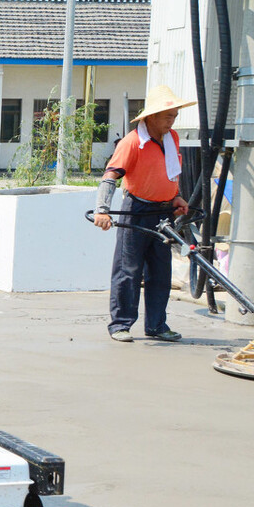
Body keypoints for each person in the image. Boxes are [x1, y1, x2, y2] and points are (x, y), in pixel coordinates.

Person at [93, 85, 196, 343]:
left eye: (174, 116)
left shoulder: (172, 138)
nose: (172, 121)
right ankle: (121, 324)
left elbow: (170, 171)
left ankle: (157, 325)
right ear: (150, 117)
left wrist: (176, 196)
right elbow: (110, 175)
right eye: (167, 116)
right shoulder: (132, 142)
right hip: (136, 210)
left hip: (164, 212)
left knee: (161, 271)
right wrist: (102, 209)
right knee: (128, 269)